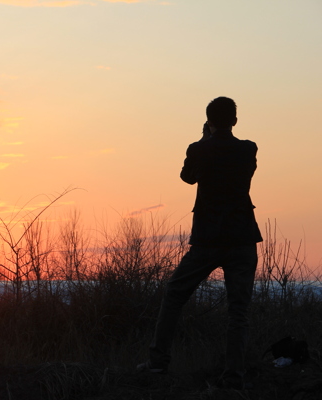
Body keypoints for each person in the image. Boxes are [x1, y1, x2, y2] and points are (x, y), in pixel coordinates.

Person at [137, 97, 263, 389]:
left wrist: (204, 139)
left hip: (208, 238)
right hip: (243, 238)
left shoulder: (199, 150)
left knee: (174, 294)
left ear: (209, 120)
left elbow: (187, 177)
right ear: (234, 120)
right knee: (239, 310)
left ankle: (158, 363)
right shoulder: (248, 149)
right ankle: (233, 376)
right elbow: (243, 174)